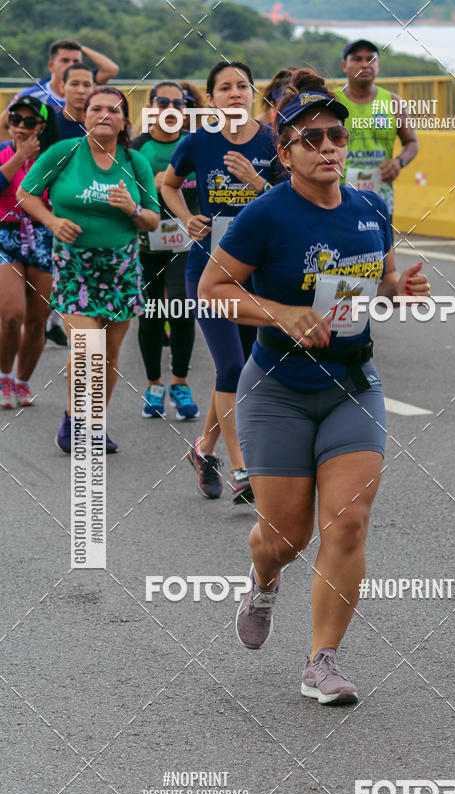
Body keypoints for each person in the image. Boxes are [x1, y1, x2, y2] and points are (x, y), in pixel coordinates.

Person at [199, 68, 430, 703]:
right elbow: (212, 291)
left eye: (336, 136)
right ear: (286, 153)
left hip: (353, 385)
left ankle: (321, 661)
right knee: (285, 536)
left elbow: (368, 288)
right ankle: (263, 580)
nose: (328, 146)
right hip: (276, 388)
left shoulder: (370, 210)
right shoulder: (264, 215)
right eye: (312, 138)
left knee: (349, 521)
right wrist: (282, 314)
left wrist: (396, 292)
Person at [162, 60, 286, 503]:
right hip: (209, 270)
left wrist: (257, 182)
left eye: (243, 86)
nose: (235, 93)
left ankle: (203, 449)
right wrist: (186, 216)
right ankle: (242, 469)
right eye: (225, 88)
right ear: (211, 98)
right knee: (231, 367)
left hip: (258, 273)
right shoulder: (198, 141)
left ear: (254, 93)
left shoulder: (274, 140)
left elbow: (295, 200)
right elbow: (169, 184)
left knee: (240, 368)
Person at [18, 87, 159, 453]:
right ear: (84, 116)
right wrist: (51, 221)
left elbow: (153, 220)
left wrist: (132, 208)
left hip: (121, 266)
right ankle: (77, 419)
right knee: (88, 346)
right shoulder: (63, 154)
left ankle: (91, 424)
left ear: (125, 120)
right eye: (96, 108)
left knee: (109, 352)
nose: (103, 115)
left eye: (113, 110)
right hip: (74, 263)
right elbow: (26, 193)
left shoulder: (135, 162)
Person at [131, 80, 199, 420]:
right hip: (146, 241)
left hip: (184, 240)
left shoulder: (195, 144)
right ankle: (154, 385)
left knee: (183, 307)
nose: (170, 109)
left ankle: (181, 383)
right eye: (163, 102)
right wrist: (151, 185)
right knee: (152, 313)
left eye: (178, 103)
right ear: (151, 106)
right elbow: (121, 189)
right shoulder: (137, 146)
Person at [0, 97, 59, 408]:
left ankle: (22, 383)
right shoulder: (1, 152)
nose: (21, 126)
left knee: (38, 319)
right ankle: (3, 376)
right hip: (4, 234)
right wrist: (19, 156)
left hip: (41, 235)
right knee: (12, 315)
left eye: (29, 122)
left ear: (42, 127)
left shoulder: (52, 158)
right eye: (16, 119)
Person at [334, 40, 418, 217]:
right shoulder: (332, 101)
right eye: (357, 59)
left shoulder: (393, 102)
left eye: (370, 59)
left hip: (381, 197)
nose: (365, 64)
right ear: (344, 65)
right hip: (339, 196)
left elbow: (412, 142)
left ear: (378, 65)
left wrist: (399, 161)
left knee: (383, 245)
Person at [0, 39, 118, 139]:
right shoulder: (32, 95)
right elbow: (2, 125)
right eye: (65, 60)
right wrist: (15, 153)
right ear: (51, 66)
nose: (71, 64)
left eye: (76, 61)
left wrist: (81, 48)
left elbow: (111, 70)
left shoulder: (85, 87)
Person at [56, 63, 95, 139]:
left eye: (87, 85)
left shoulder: (100, 126)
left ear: (94, 88)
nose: (81, 91)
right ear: (62, 87)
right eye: (74, 84)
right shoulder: (49, 125)